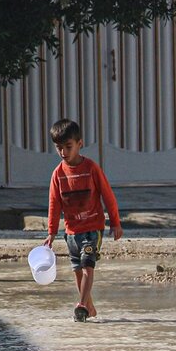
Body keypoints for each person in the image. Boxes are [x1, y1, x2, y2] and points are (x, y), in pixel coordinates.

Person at [43, 119, 122, 322]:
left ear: (80, 144)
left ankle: (81, 305)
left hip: (92, 228)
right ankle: (89, 306)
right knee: (78, 271)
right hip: (71, 233)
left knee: (88, 265)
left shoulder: (91, 168)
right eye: (59, 148)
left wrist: (115, 222)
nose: (63, 152)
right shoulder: (57, 174)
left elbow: (108, 195)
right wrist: (51, 233)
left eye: (68, 147)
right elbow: (54, 204)